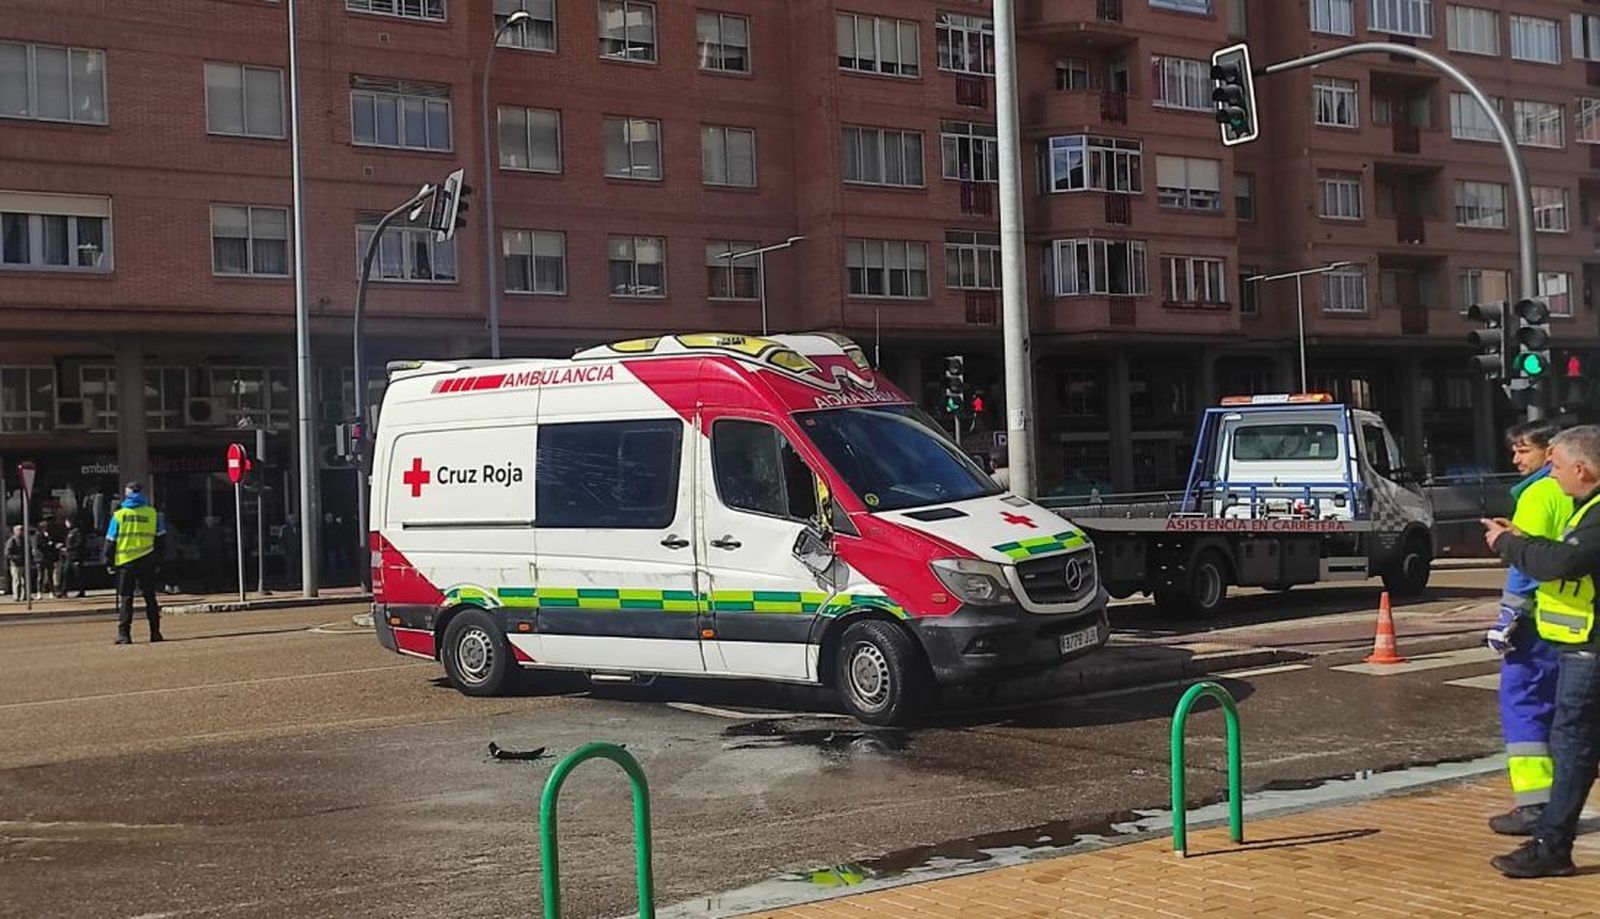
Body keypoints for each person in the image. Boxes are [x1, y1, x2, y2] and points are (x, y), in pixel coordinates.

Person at [1484, 425, 1600, 878]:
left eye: (1554, 465)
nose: (1550, 475)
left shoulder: (1590, 509)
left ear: (1581, 468)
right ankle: (1550, 838)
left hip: (1586, 644)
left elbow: (1562, 562)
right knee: (1575, 737)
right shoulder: (1582, 506)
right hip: (1577, 642)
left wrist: (1509, 544)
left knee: (1572, 740)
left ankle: (1551, 843)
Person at [1483, 421, 1571, 834]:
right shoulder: (1584, 492)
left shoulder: (1540, 493)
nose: (1515, 459)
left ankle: (1535, 804)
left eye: (1523, 450)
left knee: (1524, 706)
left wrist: (1508, 617)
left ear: (1550, 452)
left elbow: (1526, 563)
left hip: (1540, 624)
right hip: (1577, 622)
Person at [104, 482, 166, 645]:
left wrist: (108, 561)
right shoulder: (153, 513)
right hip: (147, 560)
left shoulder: (119, 515)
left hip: (126, 563)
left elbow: (110, 541)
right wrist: (159, 559)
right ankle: (155, 632)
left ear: (127, 495)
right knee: (150, 597)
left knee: (126, 598)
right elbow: (161, 539)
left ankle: (124, 635)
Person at [59, 516, 87, 598]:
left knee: (78, 575)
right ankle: (64, 591)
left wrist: (68, 548)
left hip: (75, 557)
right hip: (69, 556)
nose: (66, 524)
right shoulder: (69, 532)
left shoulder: (77, 532)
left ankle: (82, 591)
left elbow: (79, 543)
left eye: (67, 522)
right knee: (65, 574)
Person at [4, 524, 27, 601]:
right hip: (15, 564)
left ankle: (24, 596)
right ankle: (16, 596)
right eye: (19, 530)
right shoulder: (12, 541)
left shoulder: (24, 540)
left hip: (24, 563)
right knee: (17, 581)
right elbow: (7, 553)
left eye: (22, 530)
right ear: (15, 531)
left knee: (25, 581)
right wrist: (15, 558)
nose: (21, 532)